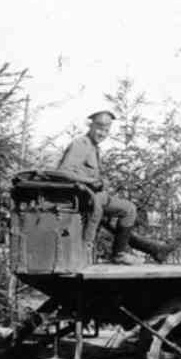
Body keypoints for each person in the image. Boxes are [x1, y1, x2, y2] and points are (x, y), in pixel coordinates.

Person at [57, 110, 142, 265]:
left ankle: (121, 254)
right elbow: (63, 172)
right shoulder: (81, 144)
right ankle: (118, 254)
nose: (102, 133)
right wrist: (89, 181)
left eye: (106, 130)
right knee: (128, 209)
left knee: (129, 209)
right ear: (91, 125)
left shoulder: (94, 147)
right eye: (99, 127)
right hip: (82, 196)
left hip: (93, 195)